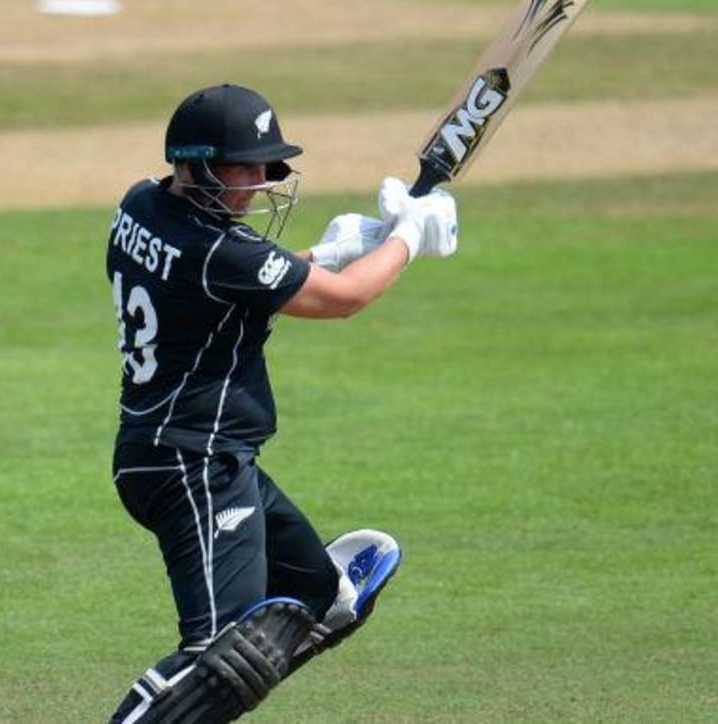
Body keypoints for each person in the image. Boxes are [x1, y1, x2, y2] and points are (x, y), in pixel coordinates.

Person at [105, 85, 458, 723]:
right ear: (196, 163)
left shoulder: (141, 207)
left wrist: (327, 254)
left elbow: (229, 281)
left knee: (320, 597)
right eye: (245, 166)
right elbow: (343, 300)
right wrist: (405, 238)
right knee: (219, 650)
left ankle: (218, 694)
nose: (259, 181)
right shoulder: (221, 250)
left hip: (189, 456)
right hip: (193, 466)